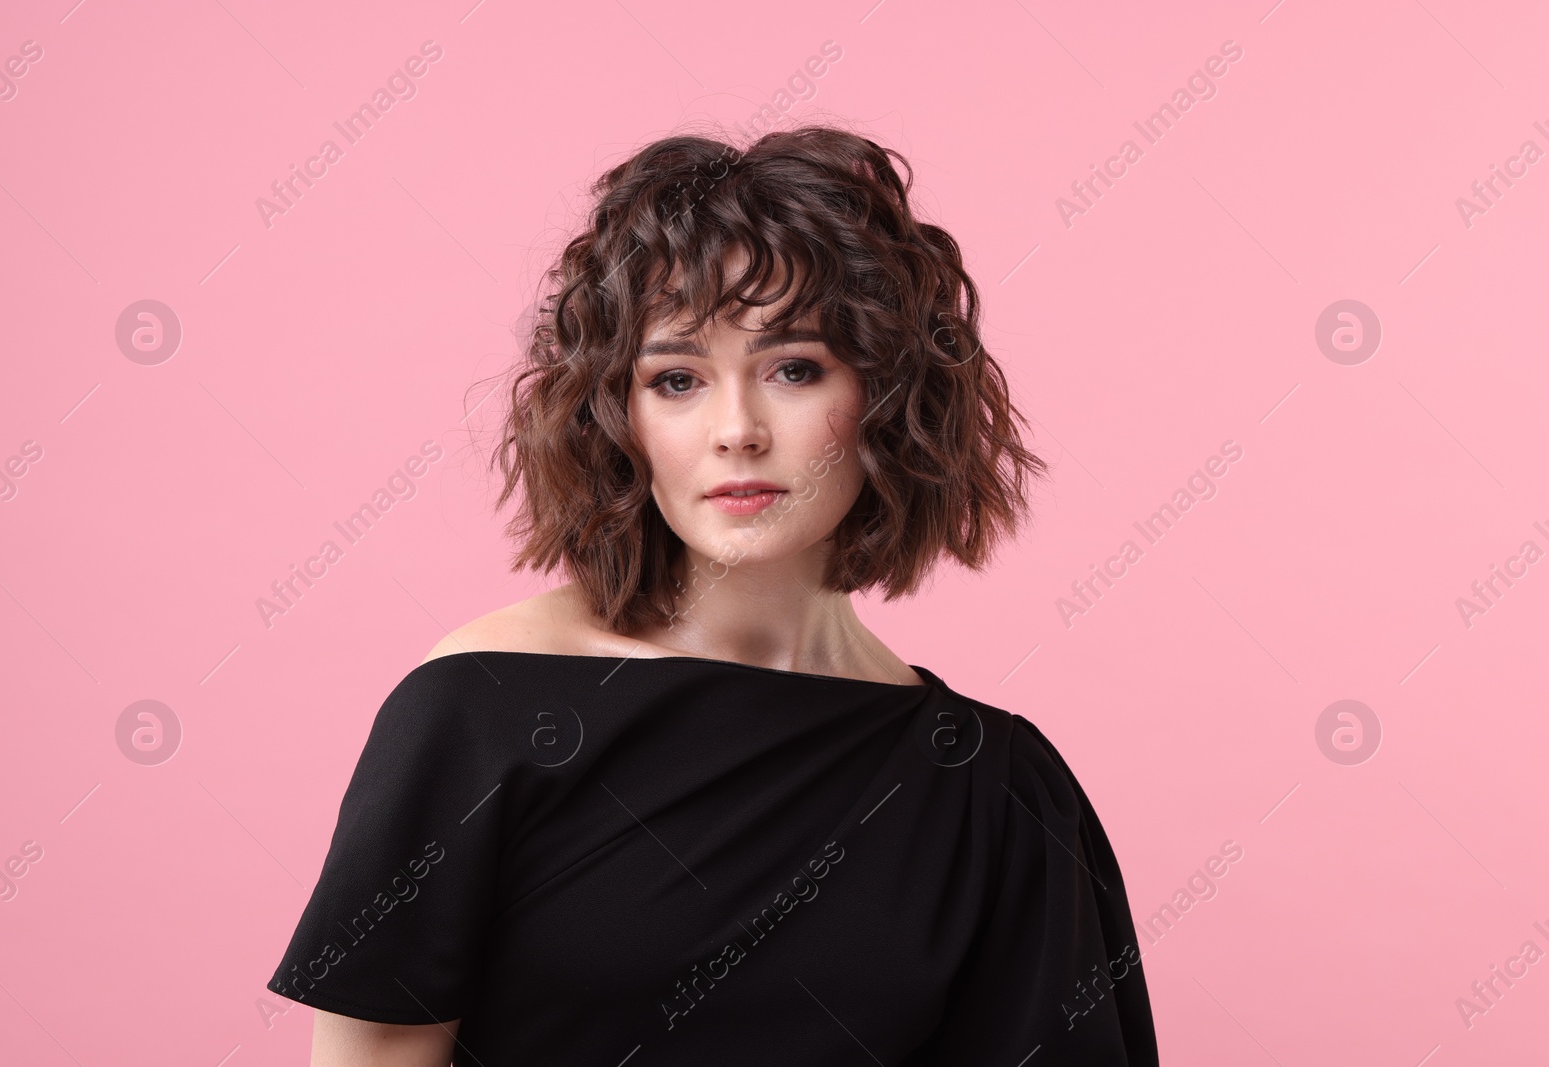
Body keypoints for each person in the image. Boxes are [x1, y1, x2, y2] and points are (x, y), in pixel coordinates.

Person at [265, 124, 1159, 1065]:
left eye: (795, 369)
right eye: (678, 378)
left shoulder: (996, 790)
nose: (737, 428)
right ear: (618, 414)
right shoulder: (479, 713)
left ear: (891, 397)